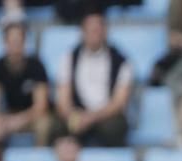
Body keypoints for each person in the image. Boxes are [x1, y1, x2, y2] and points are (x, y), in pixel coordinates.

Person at [54, 9, 133, 147]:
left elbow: (119, 102)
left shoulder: (121, 61)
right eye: (90, 30)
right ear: (82, 32)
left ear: (105, 31)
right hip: (77, 114)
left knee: (116, 127)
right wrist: (74, 117)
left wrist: (91, 118)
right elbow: (63, 100)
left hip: (106, 116)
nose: (94, 34)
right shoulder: (69, 58)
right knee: (57, 127)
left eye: (98, 30)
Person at [0, 20, 52, 146]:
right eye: (11, 41)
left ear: (25, 42)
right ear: (4, 43)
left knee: (44, 124)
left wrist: (18, 120)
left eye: (18, 41)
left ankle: (38, 159)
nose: (15, 45)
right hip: (5, 115)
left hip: (30, 115)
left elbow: (41, 106)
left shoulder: (37, 66)